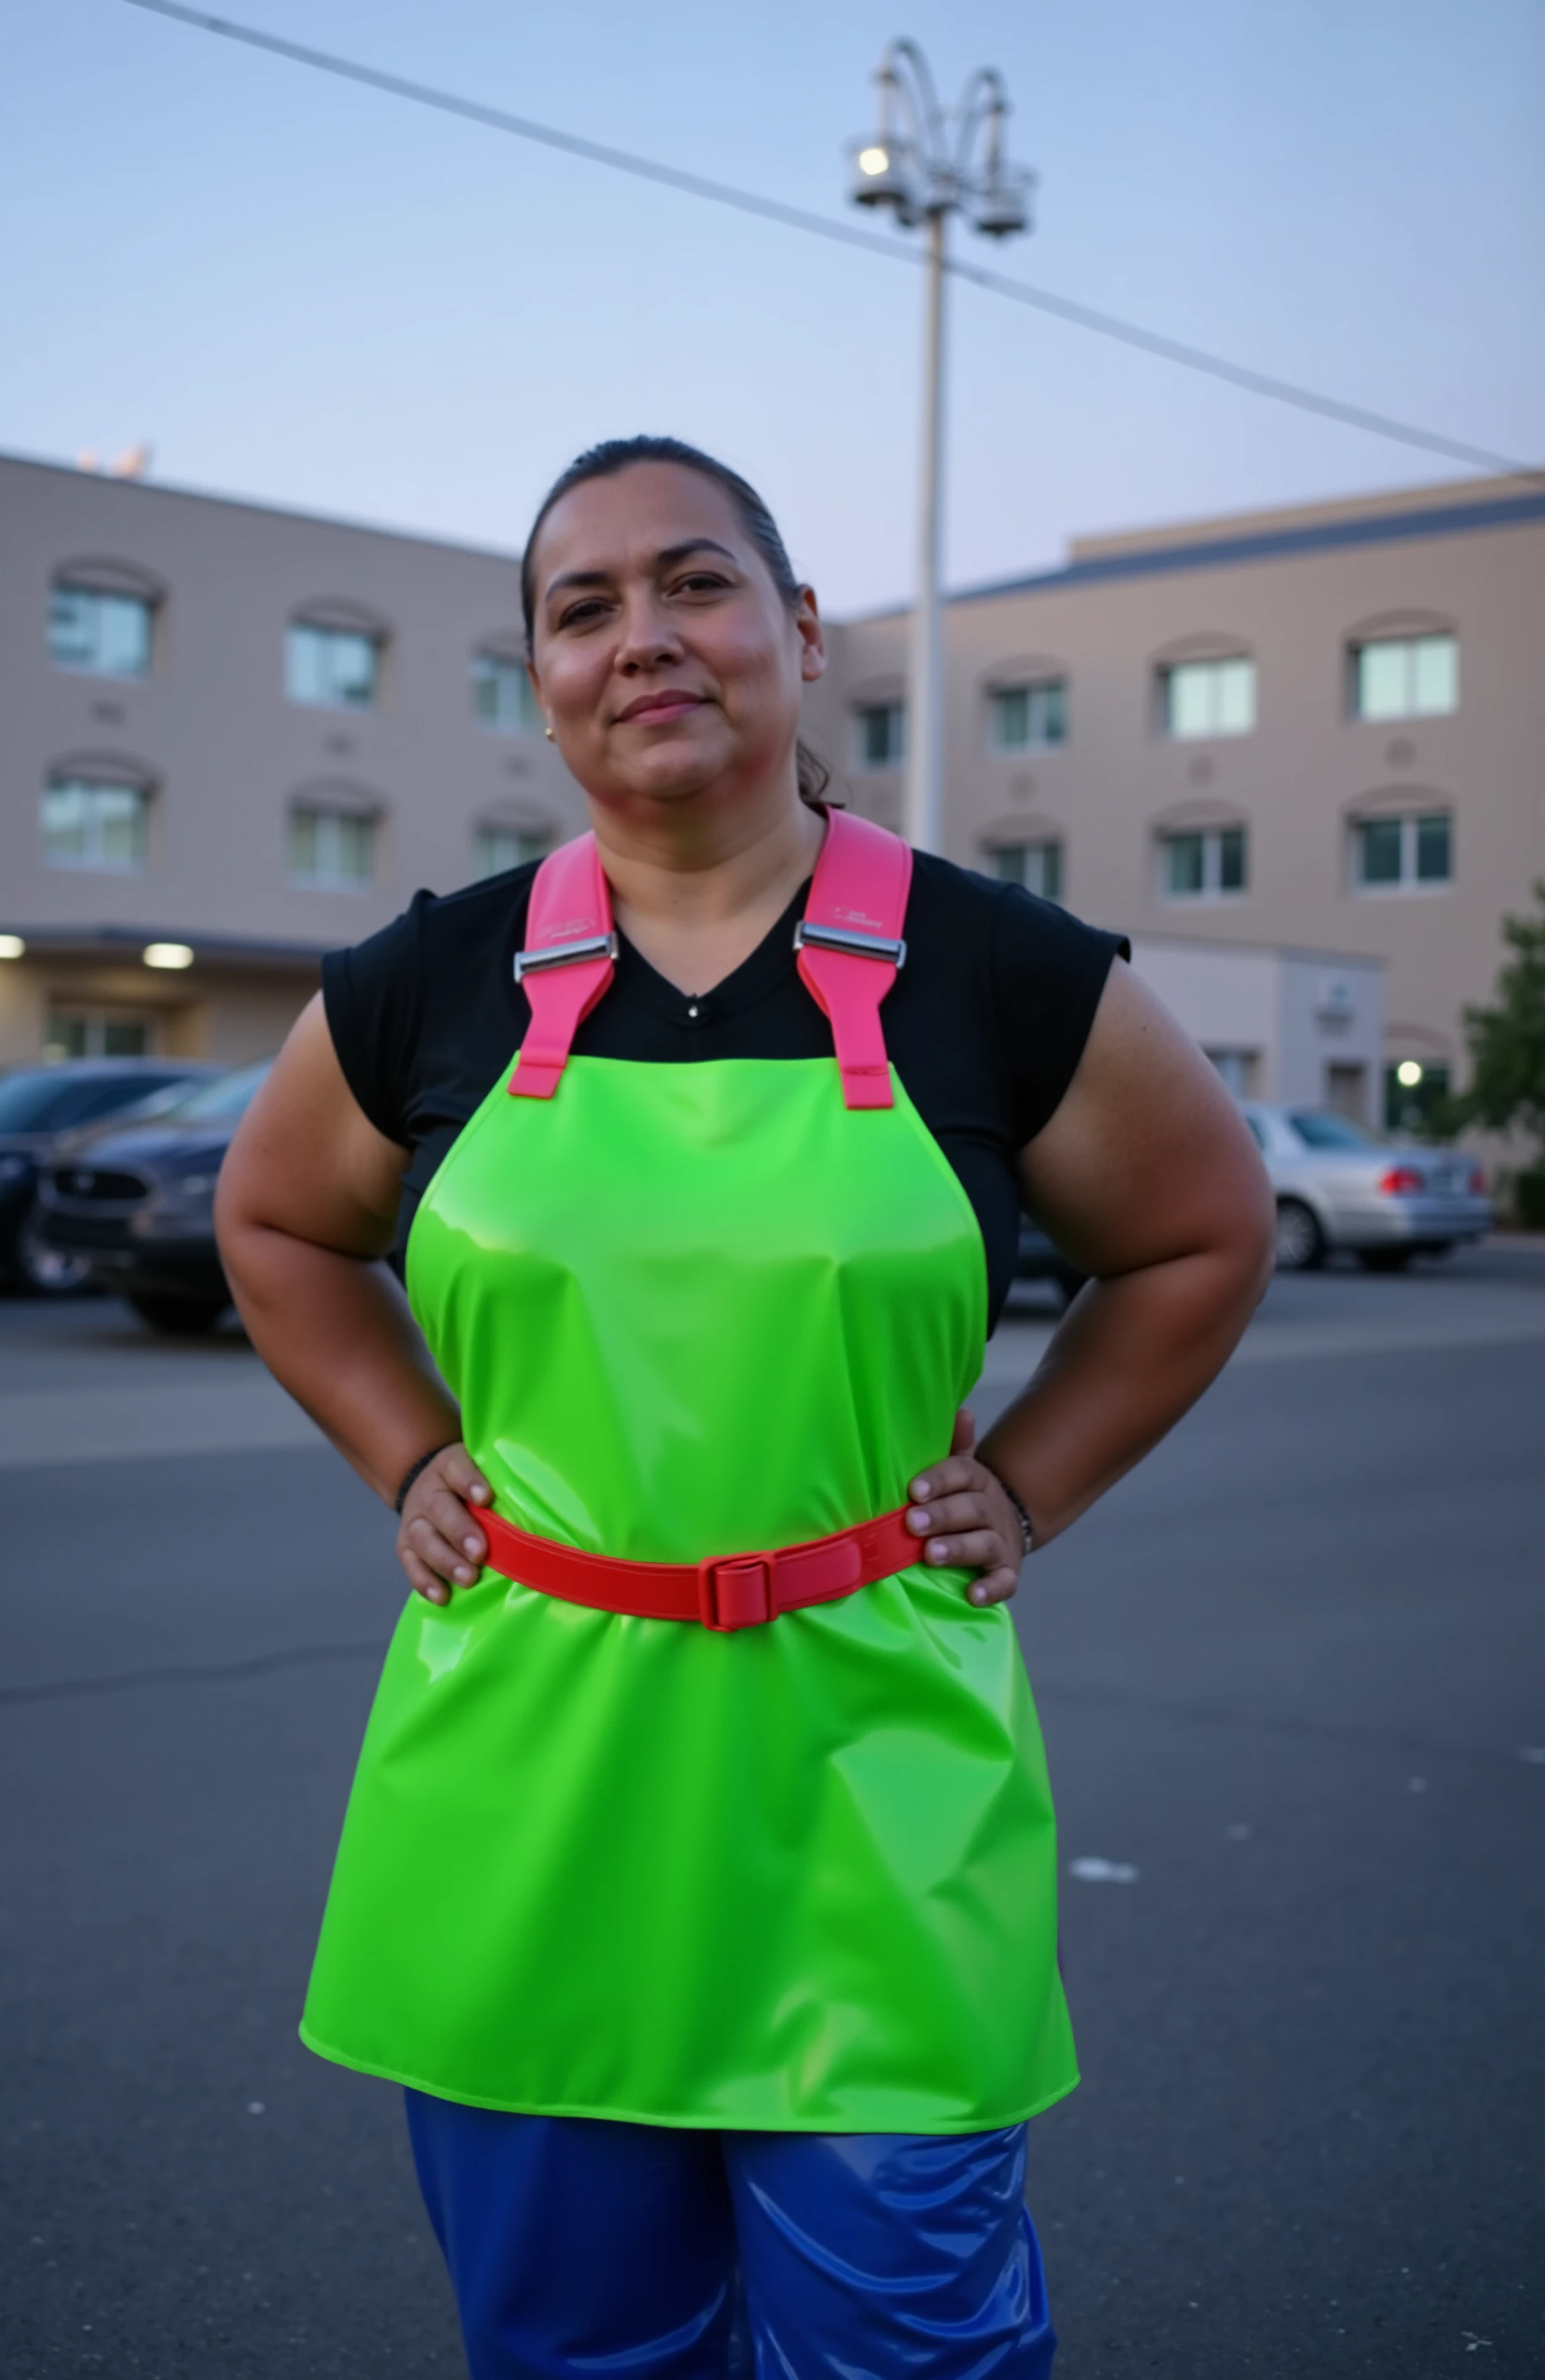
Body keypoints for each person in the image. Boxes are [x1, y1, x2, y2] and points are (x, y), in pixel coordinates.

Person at [216, 436, 1275, 2378]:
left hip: (877, 1791)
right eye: (584, 607)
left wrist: (1028, 1489)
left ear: (796, 631)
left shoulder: (999, 971)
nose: (645, 640)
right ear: (538, 673)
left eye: (696, 585)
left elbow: (1202, 1236)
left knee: (910, 2348)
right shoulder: (430, 981)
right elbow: (277, 1219)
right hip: (523, 1798)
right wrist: (407, 1447)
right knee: (576, 2351)